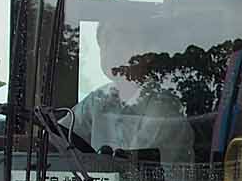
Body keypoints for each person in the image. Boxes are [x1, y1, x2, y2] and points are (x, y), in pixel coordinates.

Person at [64, 14, 193, 164]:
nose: (111, 47)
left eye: (123, 38)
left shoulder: (163, 109)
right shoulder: (98, 100)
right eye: (106, 40)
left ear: (148, 52)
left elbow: (129, 172)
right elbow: (56, 137)